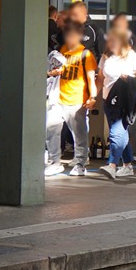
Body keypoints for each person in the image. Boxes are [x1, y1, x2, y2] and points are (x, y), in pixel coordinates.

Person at [44, 22, 97, 177]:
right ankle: (55, 162)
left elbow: (90, 78)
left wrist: (93, 97)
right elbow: (52, 71)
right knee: (51, 129)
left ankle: (80, 163)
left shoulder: (85, 54)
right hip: (58, 97)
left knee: (79, 134)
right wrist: (54, 72)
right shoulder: (61, 51)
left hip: (76, 100)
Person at [97, 28, 136, 180]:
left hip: (125, 101)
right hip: (108, 101)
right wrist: (93, 96)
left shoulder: (133, 57)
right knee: (120, 132)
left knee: (116, 133)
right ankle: (127, 165)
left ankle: (112, 165)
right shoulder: (106, 56)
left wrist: (129, 80)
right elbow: (100, 78)